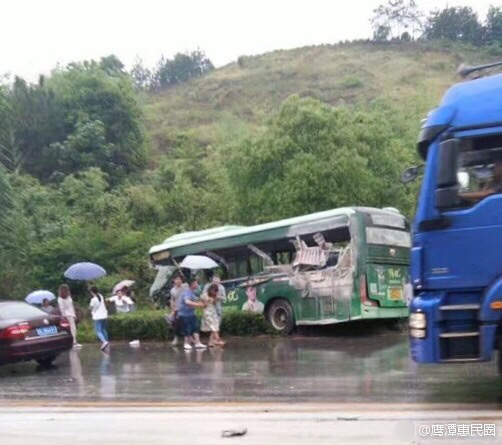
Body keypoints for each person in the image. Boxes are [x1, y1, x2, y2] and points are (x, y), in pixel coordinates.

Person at [177, 278, 207, 351]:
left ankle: (197, 343)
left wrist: (202, 301)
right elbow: (187, 302)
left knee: (195, 328)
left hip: (191, 314)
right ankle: (186, 343)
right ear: (192, 284)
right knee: (186, 329)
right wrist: (198, 305)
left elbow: (196, 300)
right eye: (196, 283)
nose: (197, 285)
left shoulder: (193, 292)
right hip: (184, 314)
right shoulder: (187, 292)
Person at [57, 284, 82, 348]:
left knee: (73, 329)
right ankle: (73, 342)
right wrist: (64, 316)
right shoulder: (61, 299)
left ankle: (73, 341)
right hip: (67, 315)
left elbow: (71, 306)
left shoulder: (68, 297)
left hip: (71, 314)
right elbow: (62, 308)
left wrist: (74, 314)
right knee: (72, 329)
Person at [169, 274, 188, 346]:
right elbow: (172, 300)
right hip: (177, 309)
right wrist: (172, 310)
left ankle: (189, 339)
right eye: (176, 279)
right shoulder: (172, 290)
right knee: (176, 324)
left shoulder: (185, 286)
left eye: (179, 279)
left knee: (186, 324)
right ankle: (176, 338)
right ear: (174, 280)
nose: (178, 281)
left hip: (185, 309)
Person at [89, 286, 109, 351]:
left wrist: (90, 310)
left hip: (98, 316)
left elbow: (91, 308)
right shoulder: (101, 296)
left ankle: (104, 342)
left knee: (98, 330)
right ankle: (107, 341)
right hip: (104, 315)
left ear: (92, 292)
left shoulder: (93, 299)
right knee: (103, 329)